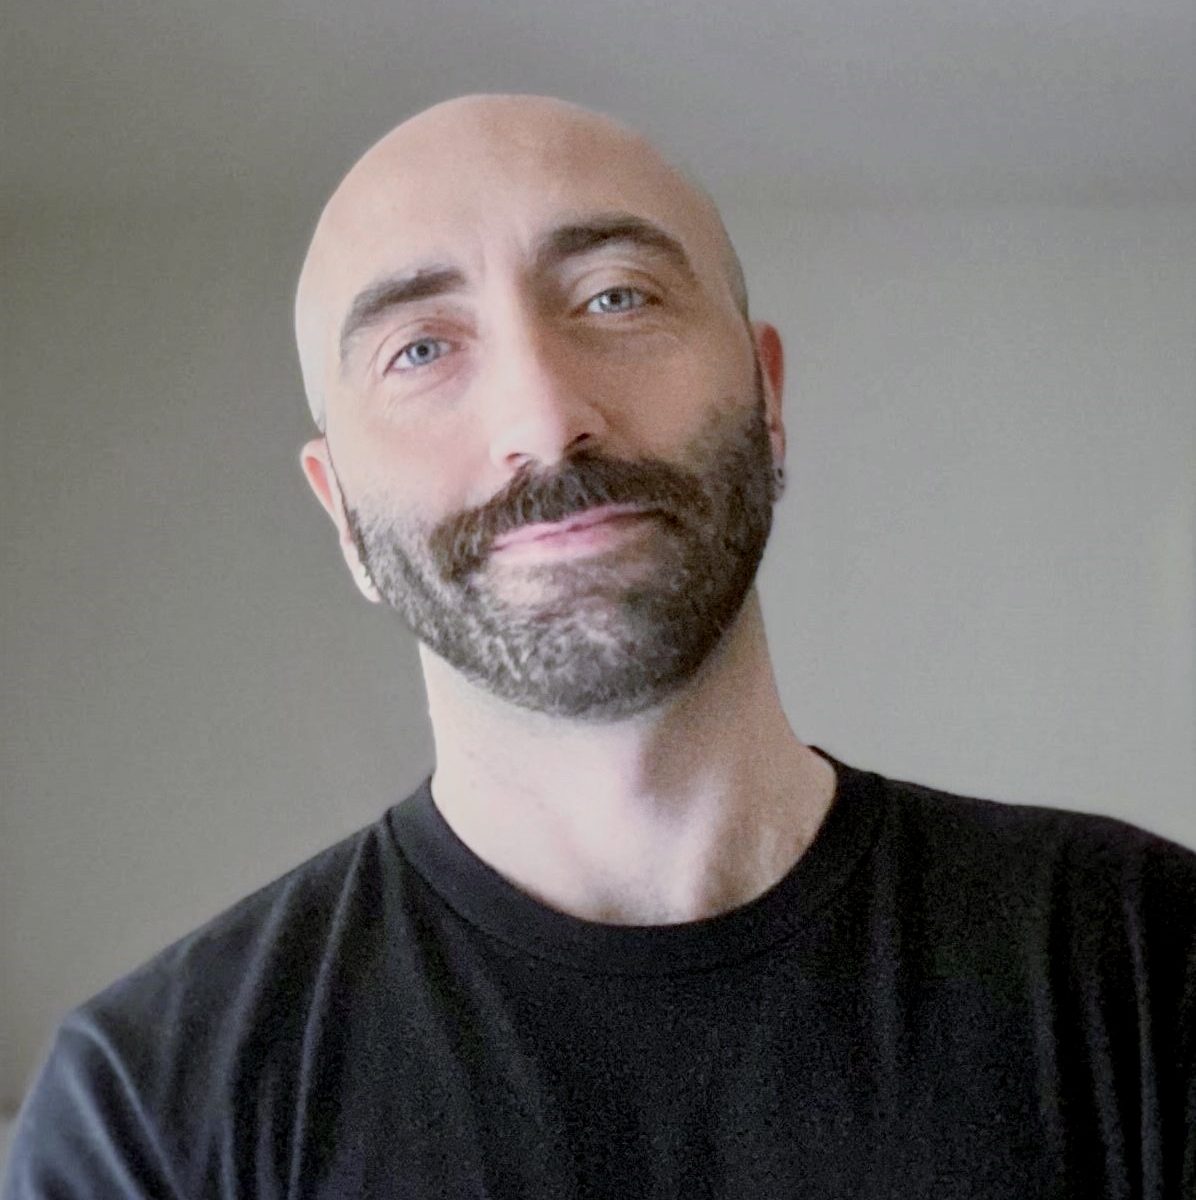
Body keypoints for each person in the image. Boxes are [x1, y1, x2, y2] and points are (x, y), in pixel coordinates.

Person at [4, 93, 1194, 1199]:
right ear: (342, 516)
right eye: (418, 348)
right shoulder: (150, 1108)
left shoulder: (1144, 960)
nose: (543, 417)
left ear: (766, 400)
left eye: (614, 296)